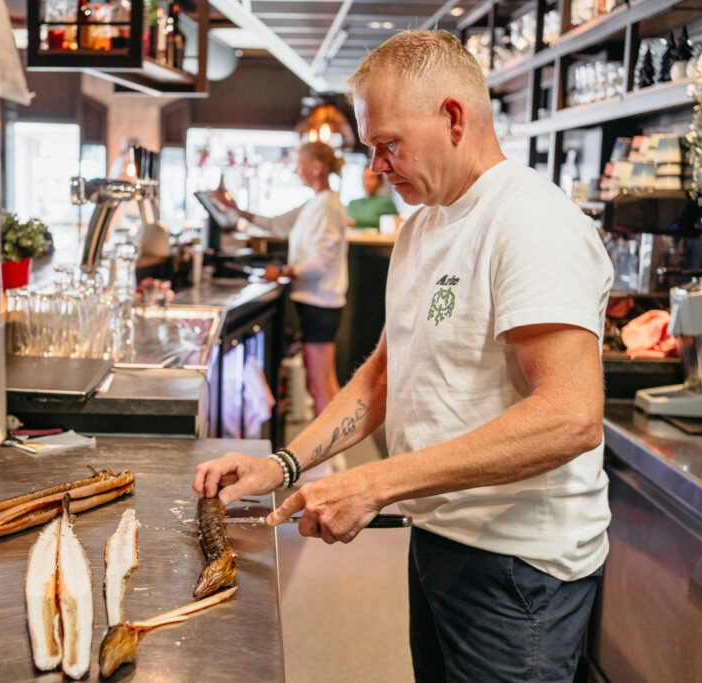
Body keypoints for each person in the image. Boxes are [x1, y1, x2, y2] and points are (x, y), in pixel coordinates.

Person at [193, 30, 613, 683]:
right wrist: (281, 464)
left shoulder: (530, 220)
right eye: (369, 149)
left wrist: (375, 482)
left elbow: (571, 415)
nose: (376, 167)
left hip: (517, 568)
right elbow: (385, 374)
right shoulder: (424, 224)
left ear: (452, 117)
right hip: (440, 536)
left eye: (387, 144)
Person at [217, 141, 348, 417]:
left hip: (320, 305)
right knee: (325, 384)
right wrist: (235, 209)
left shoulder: (326, 206)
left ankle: (328, 456)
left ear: (317, 167)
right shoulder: (318, 202)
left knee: (320, 386)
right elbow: (276, 224)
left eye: (300, 163)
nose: (296, 169)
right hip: (317, 303)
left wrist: (285, 271)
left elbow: (320, 260)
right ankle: (334, 456)